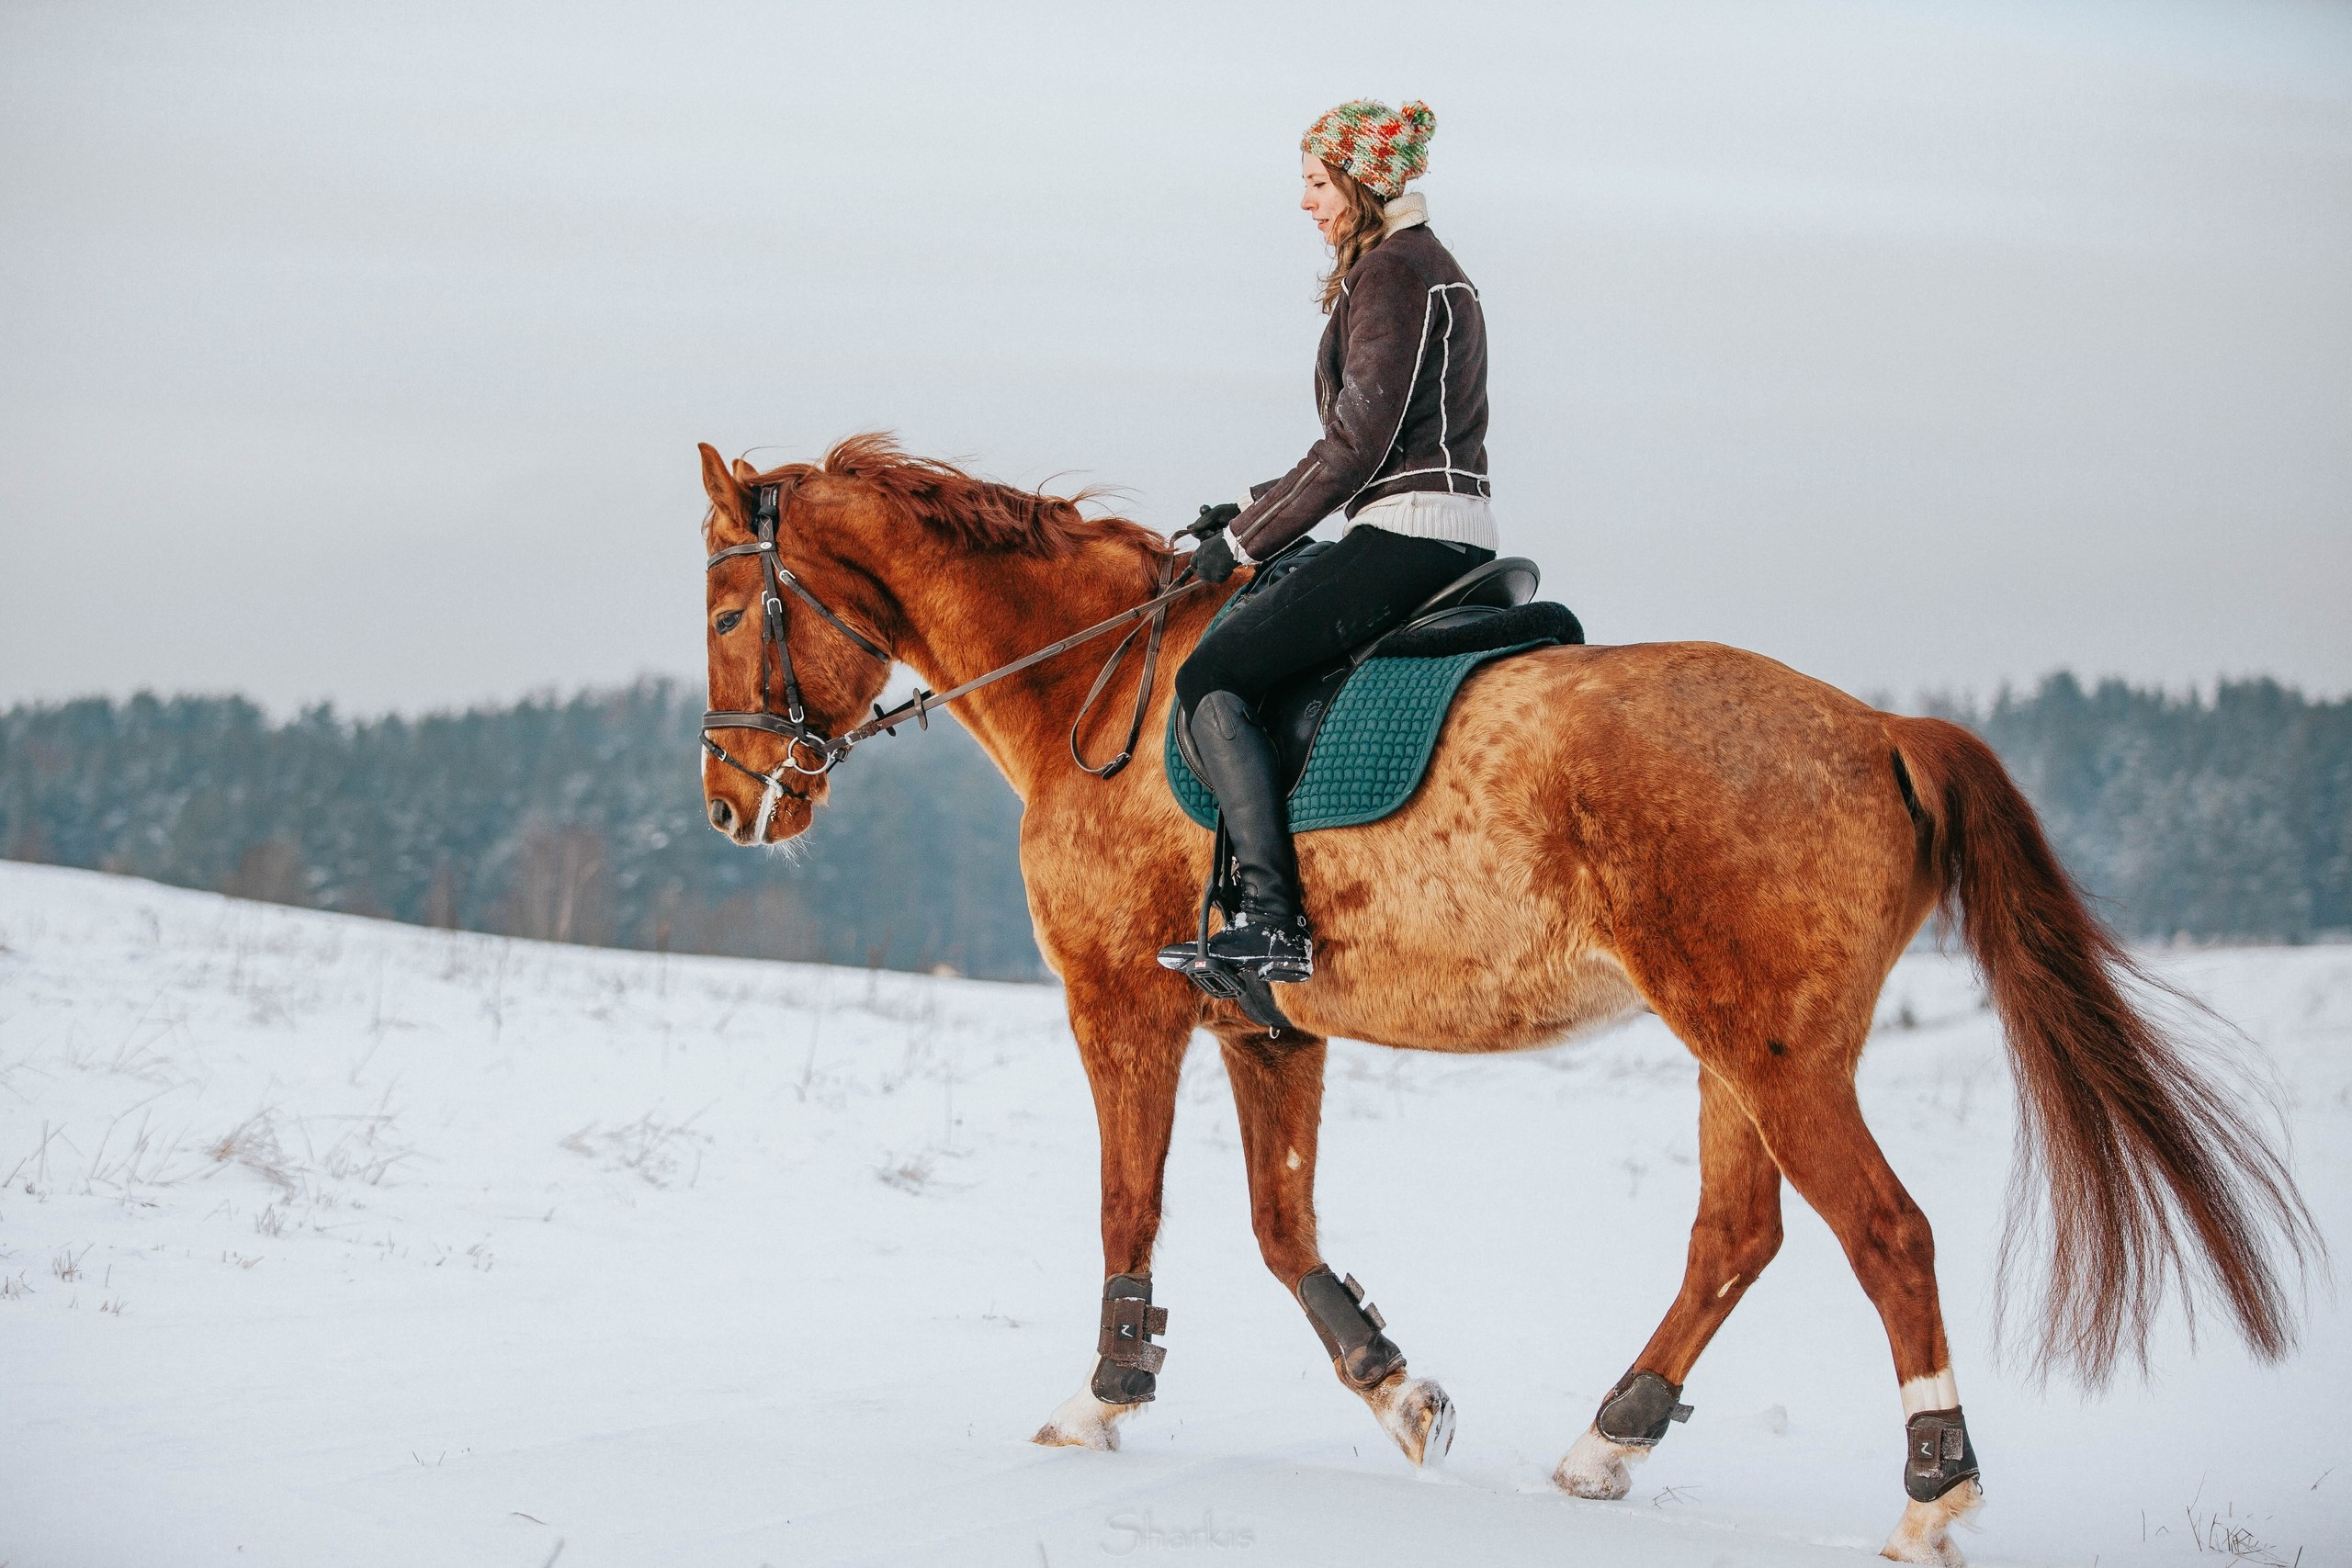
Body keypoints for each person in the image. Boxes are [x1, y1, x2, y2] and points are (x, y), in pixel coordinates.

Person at [1173, 98, 1497, 984]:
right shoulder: (1429, 267)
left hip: (1409, 531)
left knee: (1211, 674)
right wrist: (1243, 506)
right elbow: (1374, 437)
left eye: (1317, 184)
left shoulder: (1393, 272)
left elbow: (1355, 449)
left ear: (1359, 183)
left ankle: (1274, 920)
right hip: (1447, 521)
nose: (1307, 204)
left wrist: (1241, 545)